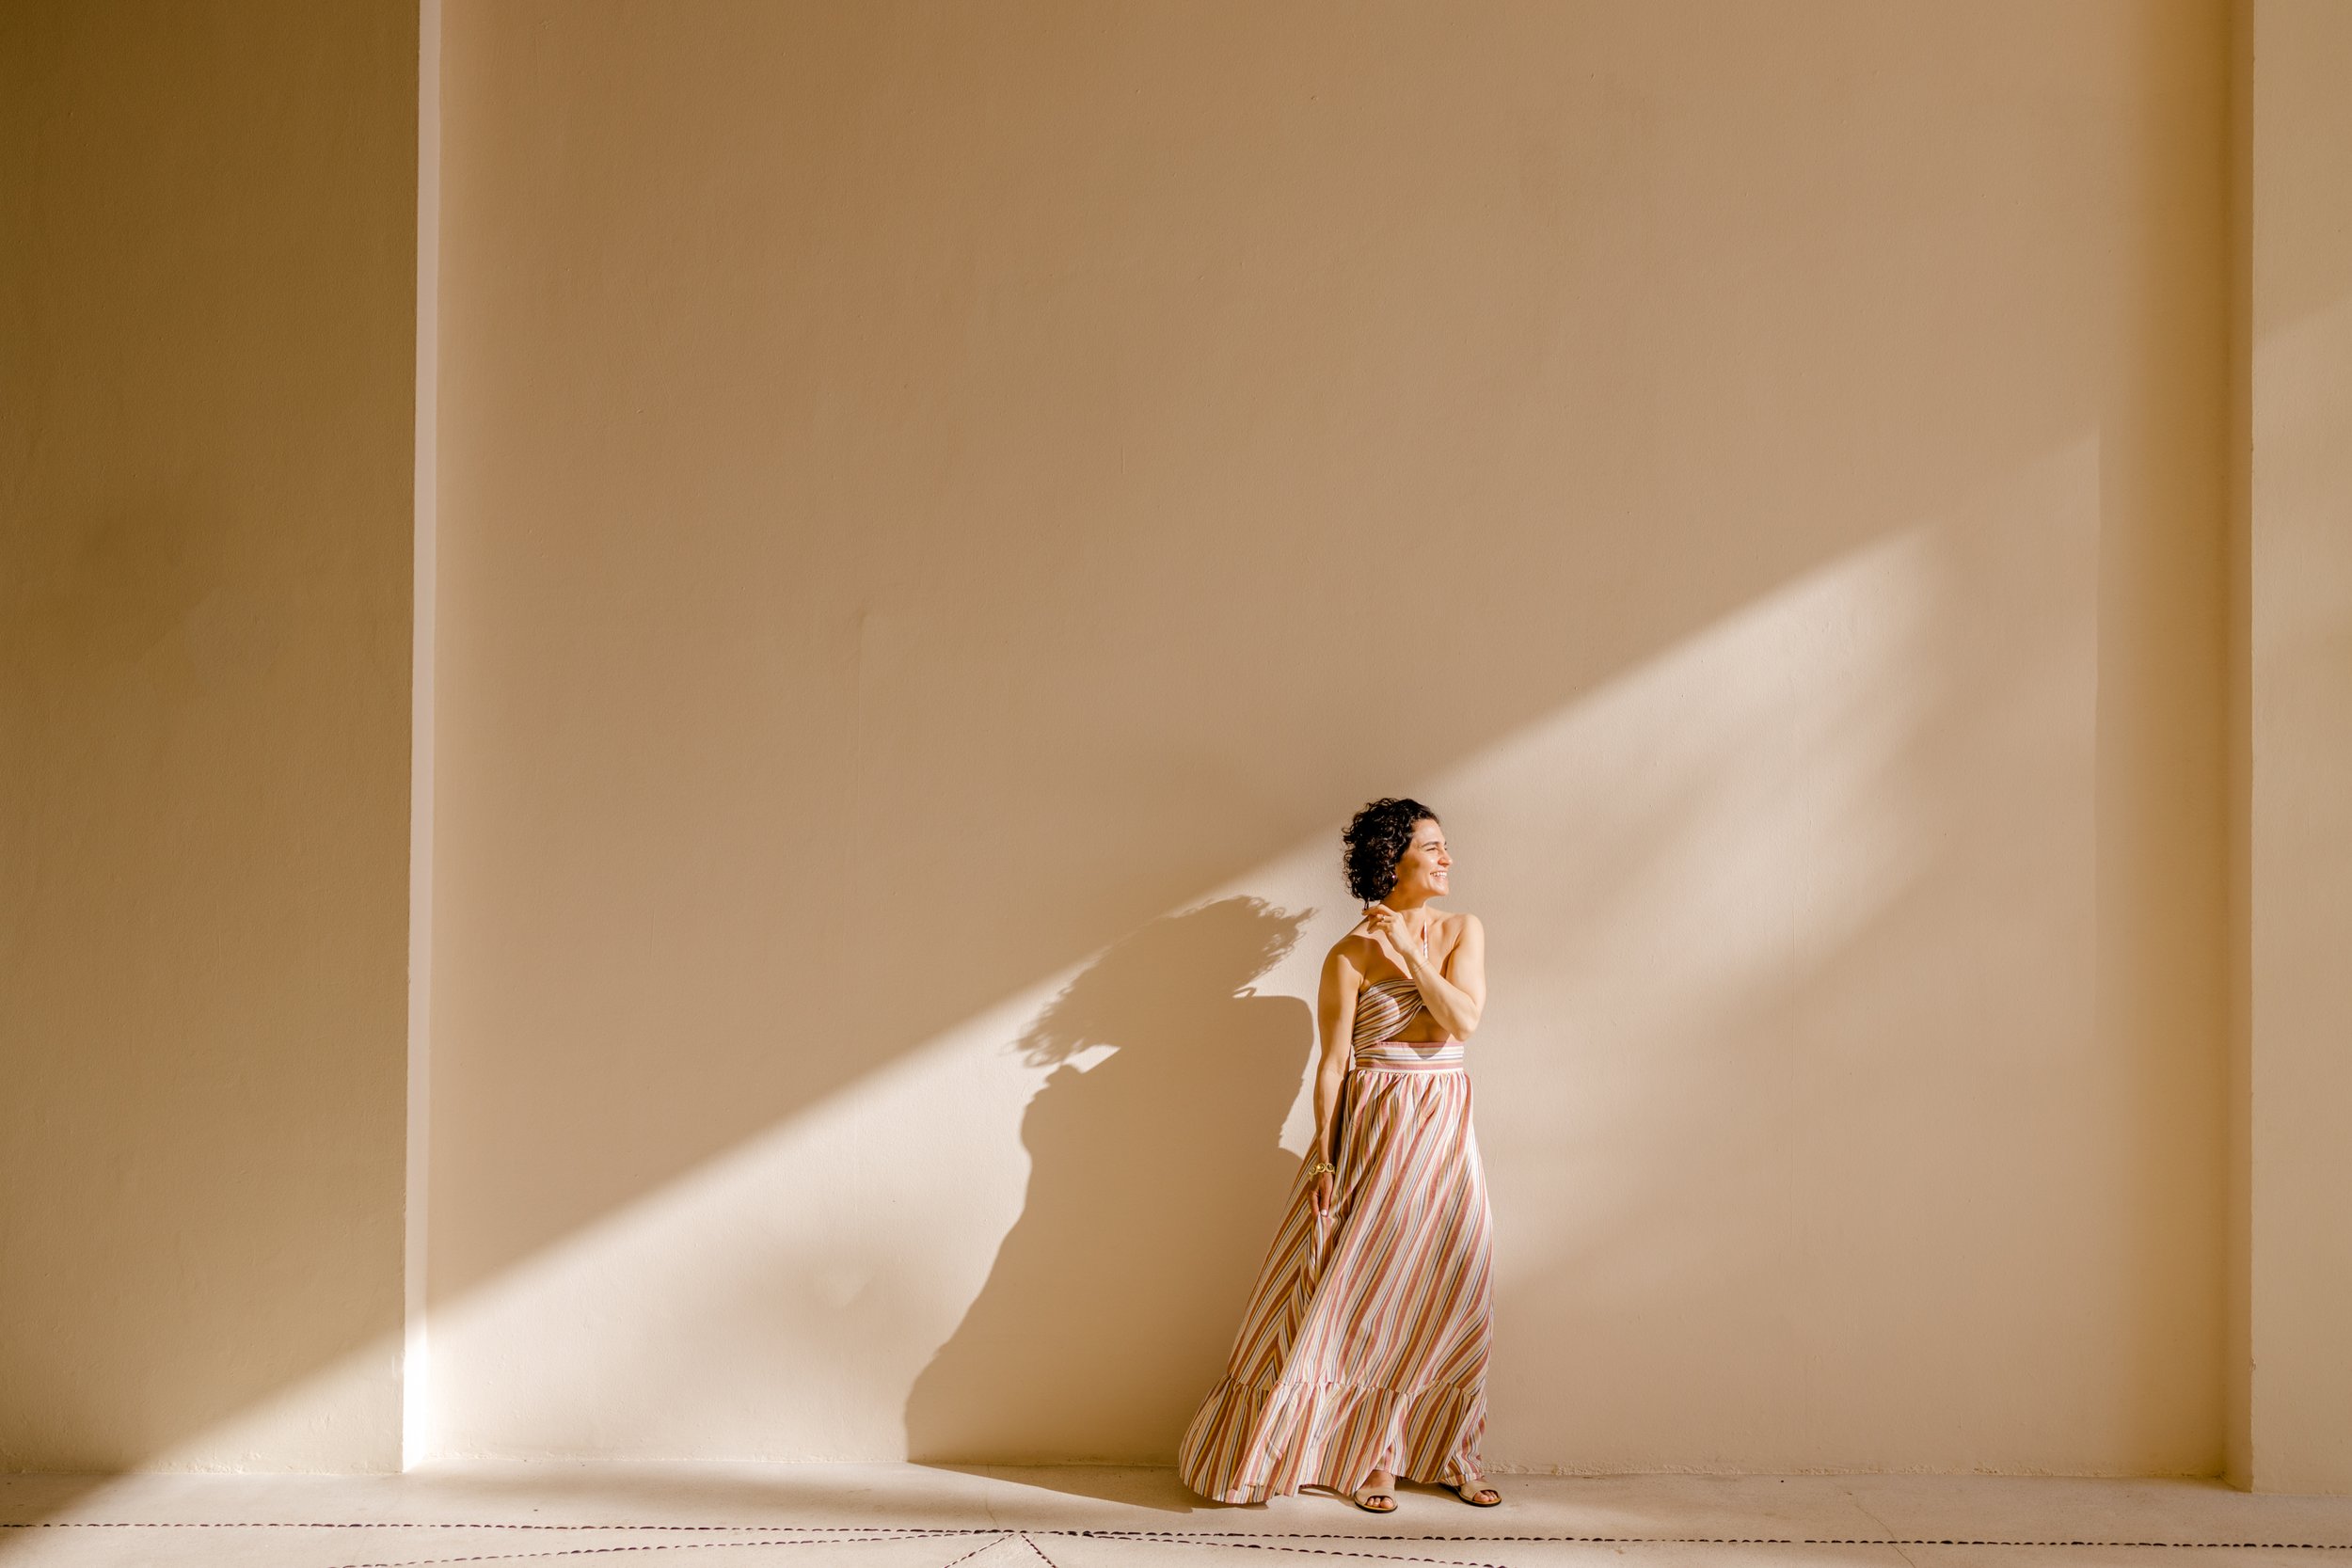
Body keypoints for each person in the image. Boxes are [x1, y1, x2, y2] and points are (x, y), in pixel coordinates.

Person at [1175, 798, 1499, 1513]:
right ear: (1395, 858)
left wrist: (1412, 951)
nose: (1448, 858)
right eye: (1433, 846)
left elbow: (1464, 1018)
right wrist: (1325, 1157)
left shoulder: (1460, 930)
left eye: (1446, 846)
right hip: (1374, 1132)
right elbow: (1331, 1066)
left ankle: (1449, 1449)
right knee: (1367, 1297)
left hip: (1444, 1129)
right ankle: (1372, 1455)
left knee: (1455, 1287)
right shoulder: (1347, 955)